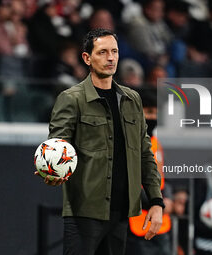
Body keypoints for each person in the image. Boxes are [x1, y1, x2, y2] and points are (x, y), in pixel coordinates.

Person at [34, 28, 164, 255]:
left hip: (122, 212)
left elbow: (144, 154)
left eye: (114, 51)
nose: (111, 58)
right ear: (87, 58)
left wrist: (156, 201)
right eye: (103, 52)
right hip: (84, 210)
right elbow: (57, 144)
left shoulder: (132, 99)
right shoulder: (71, 99)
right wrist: (52, 169)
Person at [125, 88, 173, 255]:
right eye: (149, 112)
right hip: (137, 223)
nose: (154, 117)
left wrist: (169, 198)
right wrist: (159, 202)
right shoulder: (129, 142)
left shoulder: (155, 143)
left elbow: (162, 179)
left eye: (156, 113)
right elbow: (128, 183)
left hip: (161, 223)